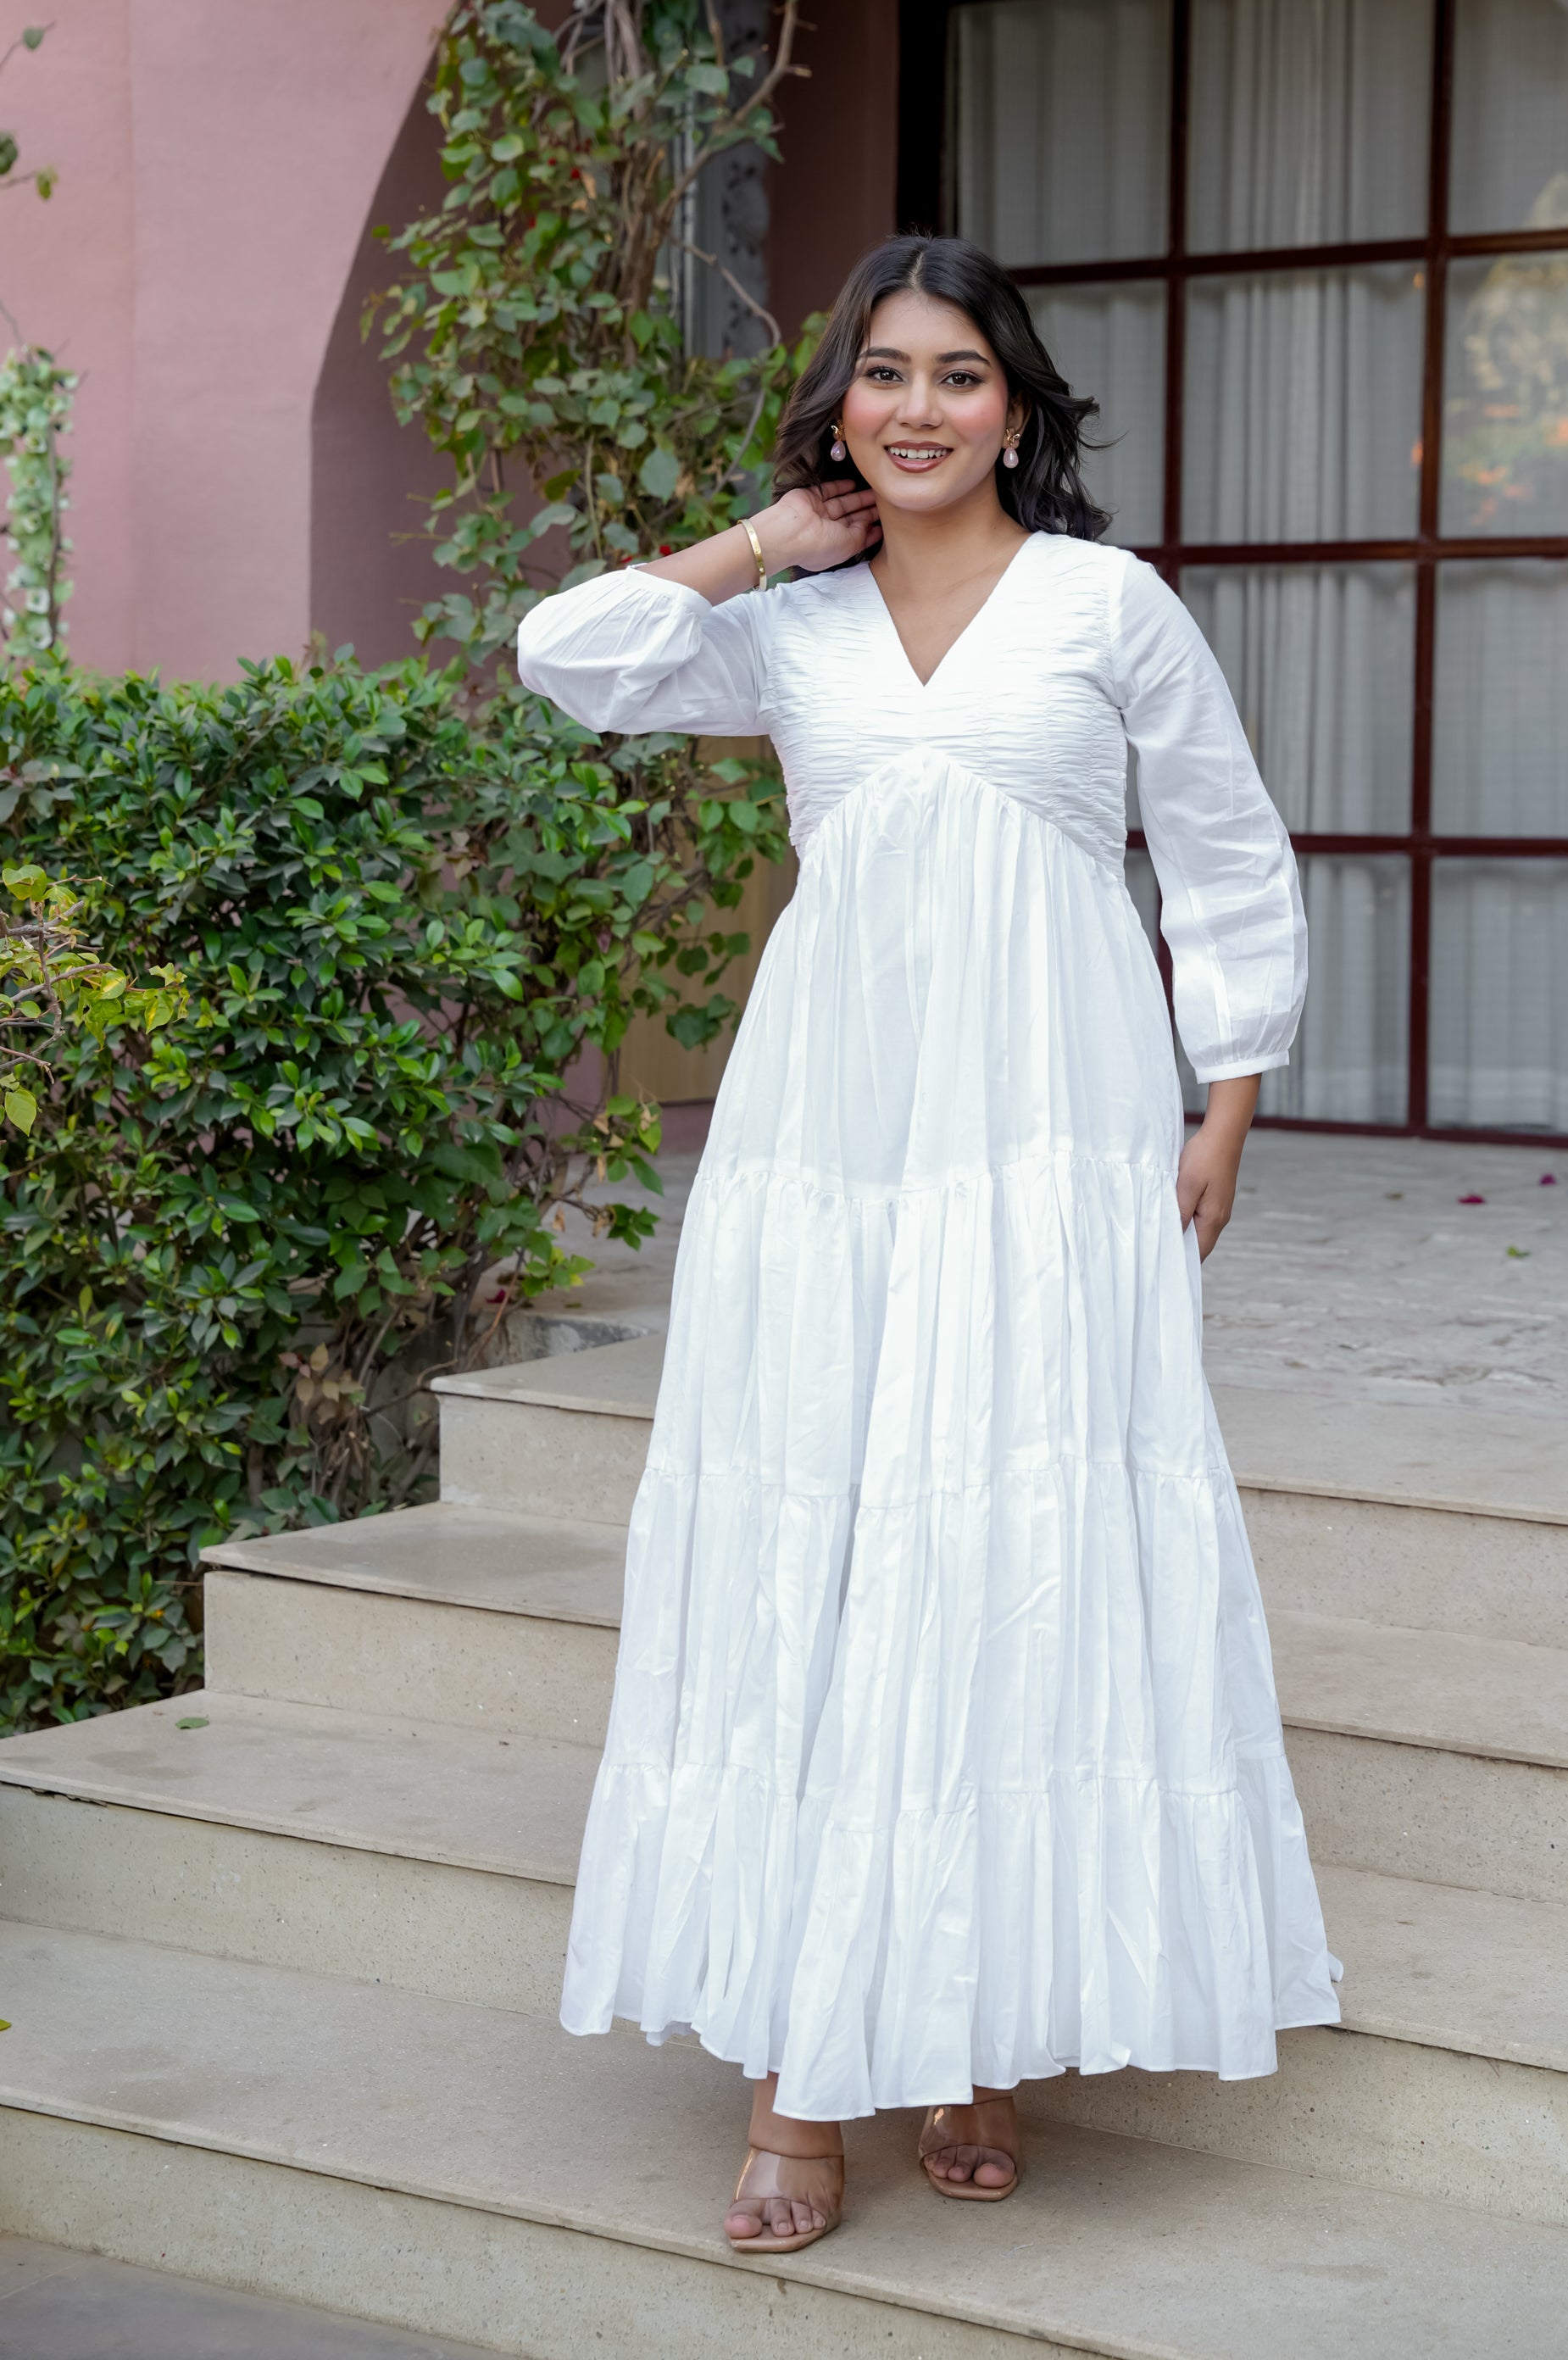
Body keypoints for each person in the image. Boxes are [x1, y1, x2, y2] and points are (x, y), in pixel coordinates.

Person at [515, 232, 1340, 2255]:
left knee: (1011, 1544)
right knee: (835, 1538)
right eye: (883, 372)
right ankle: (806, 2075)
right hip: (833, 1147)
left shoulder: (1107, 606)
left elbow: (1224, 847)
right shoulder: (787, 625)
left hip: (1052, 1139)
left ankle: (973, 2021)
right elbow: (571, 656)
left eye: (958, 375)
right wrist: (755, 538)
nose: (916, 408)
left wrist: (1225, 1098)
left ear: (1020, 407)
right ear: (839, 411)